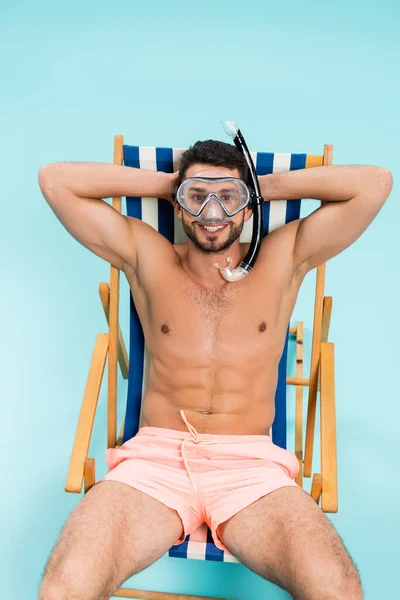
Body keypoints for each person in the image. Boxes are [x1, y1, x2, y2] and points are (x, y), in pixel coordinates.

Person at [37, 140, 392, 600]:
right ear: (179, 206)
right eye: (196, 196)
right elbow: (55, 179)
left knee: (338, 590)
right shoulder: (148, 256)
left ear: (248, 208)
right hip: (154, 466)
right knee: (63, 590)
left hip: (251, 472)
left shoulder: (284, 258)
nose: (211, 210)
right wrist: (172, 183)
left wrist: (257, 186)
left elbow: (375, 184)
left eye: (228, 197)